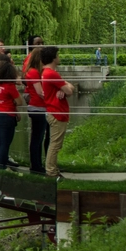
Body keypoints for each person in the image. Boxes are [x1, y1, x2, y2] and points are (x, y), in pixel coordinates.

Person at [40, 46, 74, 178]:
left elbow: (68, 88)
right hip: (57, 112)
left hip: (54, 111)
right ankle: (51, 171)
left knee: (55, 143)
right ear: (53, 58)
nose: (59, 57)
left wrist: (62, 87)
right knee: (55, 144)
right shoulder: (51, 74)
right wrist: (64, 87)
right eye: (57, 55)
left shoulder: (47, 73)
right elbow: (70, 91)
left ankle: (52, 169)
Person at [0, 56, 24, 169]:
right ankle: (2, 166)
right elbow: (20, 102)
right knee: (5, 143)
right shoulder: (9, 86)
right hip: (6, 115)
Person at [23, 47, 49, 175]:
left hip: (39, 106)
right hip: (37, 107)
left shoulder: (35, 71)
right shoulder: (33, 72)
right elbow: (39, 92)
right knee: (37, 138)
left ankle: (37, 164)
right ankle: (35, 165)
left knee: (38, 136)